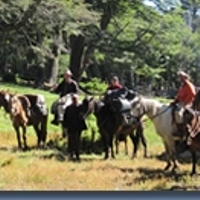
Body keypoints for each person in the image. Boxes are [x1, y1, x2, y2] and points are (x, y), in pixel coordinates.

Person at [62, 94, 87, 161]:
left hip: (78, 127)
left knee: (77, 141)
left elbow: (86, 107)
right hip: (71, 127)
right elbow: (65, 118)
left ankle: (77, 154)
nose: (74, 100)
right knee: (70, 141)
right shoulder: (68, 108)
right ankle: (71, 153)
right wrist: (65, 127)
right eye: (73, 99)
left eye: (75, 99)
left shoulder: (80, 107)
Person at [172, 71, 196, 139]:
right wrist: (175, 101)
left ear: (185, 77)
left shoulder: (189, 85)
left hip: (187, 103)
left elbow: (192, 94)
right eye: (179, 77)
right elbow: (179, 95)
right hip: (180, 102)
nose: (180, 79)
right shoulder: (183, 85)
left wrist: (184, 103)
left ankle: (180, 130)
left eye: (181, 77)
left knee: (178, 113)